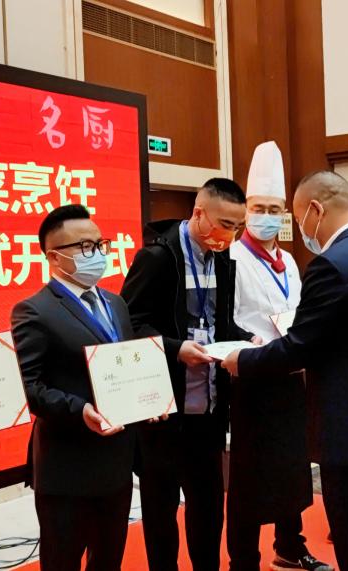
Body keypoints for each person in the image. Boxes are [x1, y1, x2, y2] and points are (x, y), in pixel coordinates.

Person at [223, 171, 348, 571]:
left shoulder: (331, 264)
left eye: (297, 218)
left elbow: (300, 347)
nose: (301, 230)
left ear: (315, 210)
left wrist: (241, 360)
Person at [11, 205, 183, 570]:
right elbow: (28, 386)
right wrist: (80, 410)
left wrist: (148, 399)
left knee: (108, 559)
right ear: (54, 256)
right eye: (84, 247)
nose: (97, 254)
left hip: (117, 464)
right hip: (68, 467)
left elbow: (126, 364)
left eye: (99, 244)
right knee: (62, 561)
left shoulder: (115, 303)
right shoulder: (34, 310)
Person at [120, 178, 251, 571]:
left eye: (237, 227)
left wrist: (246, 340)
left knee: (208, 504)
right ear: (199, 214)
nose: (230, 234)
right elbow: (130, 323)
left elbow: (220, 323)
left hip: (208, 407)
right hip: (164, 410)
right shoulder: (157, 257)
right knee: (160, 508)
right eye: (225, 224)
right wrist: (176, 349)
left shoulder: (222, 258)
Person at [226, 143, 331, 571]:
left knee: (292, 466)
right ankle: (243, 559)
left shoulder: (288, 259)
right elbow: (224, 320)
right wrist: (248, 341)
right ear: (245, 210)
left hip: (291, 372)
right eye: (258, 208)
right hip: (250, 376)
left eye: (274, 209)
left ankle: (289, 545)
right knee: (248, 476)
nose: (266, 216)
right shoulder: (231, 257)